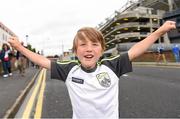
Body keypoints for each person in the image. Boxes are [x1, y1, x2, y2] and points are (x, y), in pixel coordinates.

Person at [8, 21, 176, 119]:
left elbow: (136, 50)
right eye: (83, 45)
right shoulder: (69, 70)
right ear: (75, 51)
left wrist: (159, 31)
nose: (89, 49)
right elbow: (42, 60)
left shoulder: (112, 65)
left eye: (94, 44)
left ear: (101, 50)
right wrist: (19, 47)